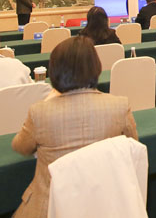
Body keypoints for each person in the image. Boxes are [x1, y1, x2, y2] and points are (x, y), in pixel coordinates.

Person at [12, 36, 138, 217]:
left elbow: (20, 146)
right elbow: (133, 147)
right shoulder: (119, 106)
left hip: (50, 206)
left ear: (54, 71)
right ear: (96, 67)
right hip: (103, 204)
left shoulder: (40, 112)